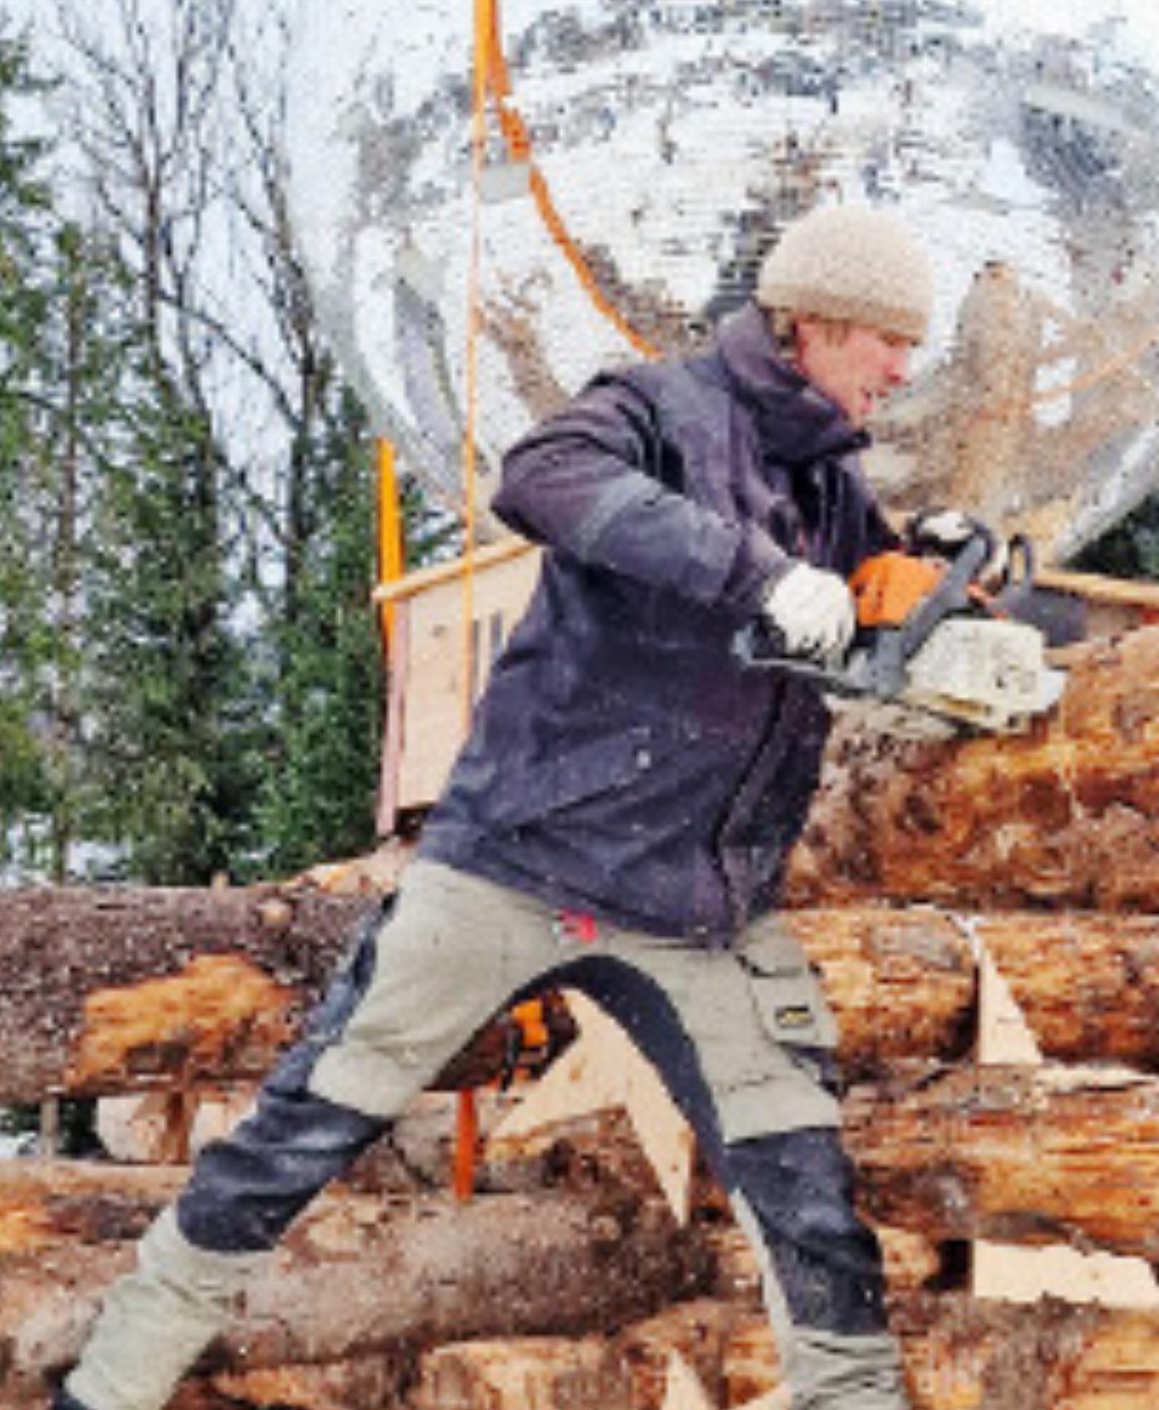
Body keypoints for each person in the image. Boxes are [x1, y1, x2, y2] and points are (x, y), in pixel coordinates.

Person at [56, 200, 942, 1410]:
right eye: (891, 340)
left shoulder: (836, 493)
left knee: (805, 1194)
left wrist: (927, 583)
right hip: (517, 865)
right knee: (301, 1135)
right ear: (818, 323)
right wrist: (757, 573)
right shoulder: (658, 408)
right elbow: (543, 476)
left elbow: (859, 614)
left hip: (701, 906)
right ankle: (105, 1390)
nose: (905, 368)